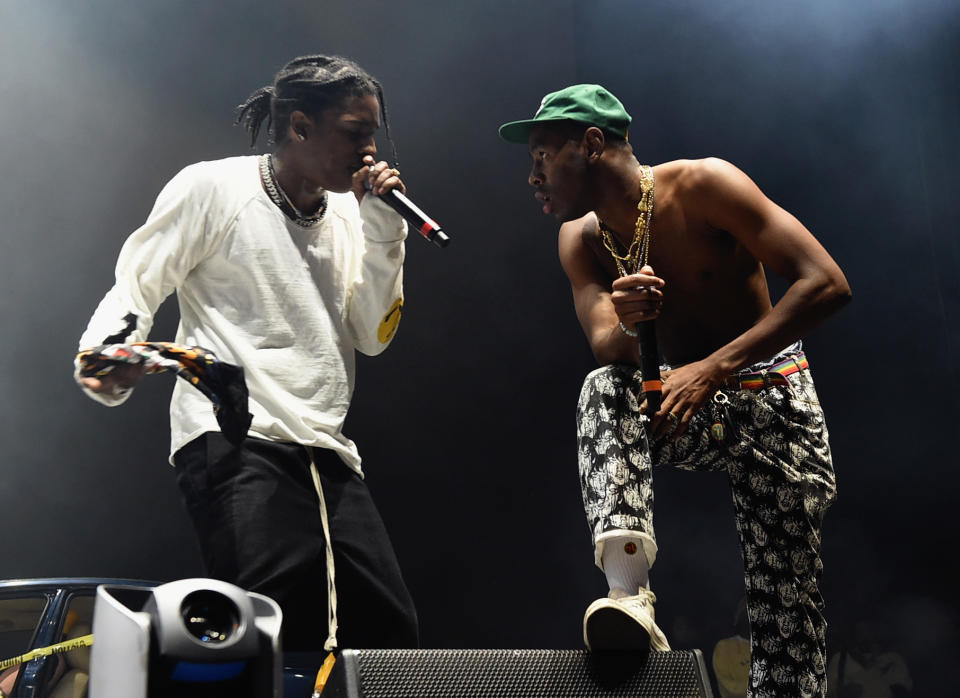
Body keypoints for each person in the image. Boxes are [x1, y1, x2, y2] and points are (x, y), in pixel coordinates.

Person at [499, 85, 850, 696]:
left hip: (774, 391)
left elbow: (826, 283)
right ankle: (627, 593)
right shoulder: (580, 239)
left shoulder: (705, 186)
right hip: (684, 399)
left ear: (590, 145)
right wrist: (634, 323)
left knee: (786, 608)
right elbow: (607, 342)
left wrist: (713, 368)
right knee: (605, 388)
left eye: (542, 156)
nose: (533, 176)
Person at [74, 54, 418, 652]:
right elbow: (136, 286)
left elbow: (373, 336)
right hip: (234, 435)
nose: (370, 152)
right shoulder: (213, 187)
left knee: (387, 628)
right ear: (301, 126)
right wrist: (106, 358)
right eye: (355, 133)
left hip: (325, 448)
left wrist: (386, 231)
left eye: (374, 134)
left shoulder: (352, 213)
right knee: (267, 623)